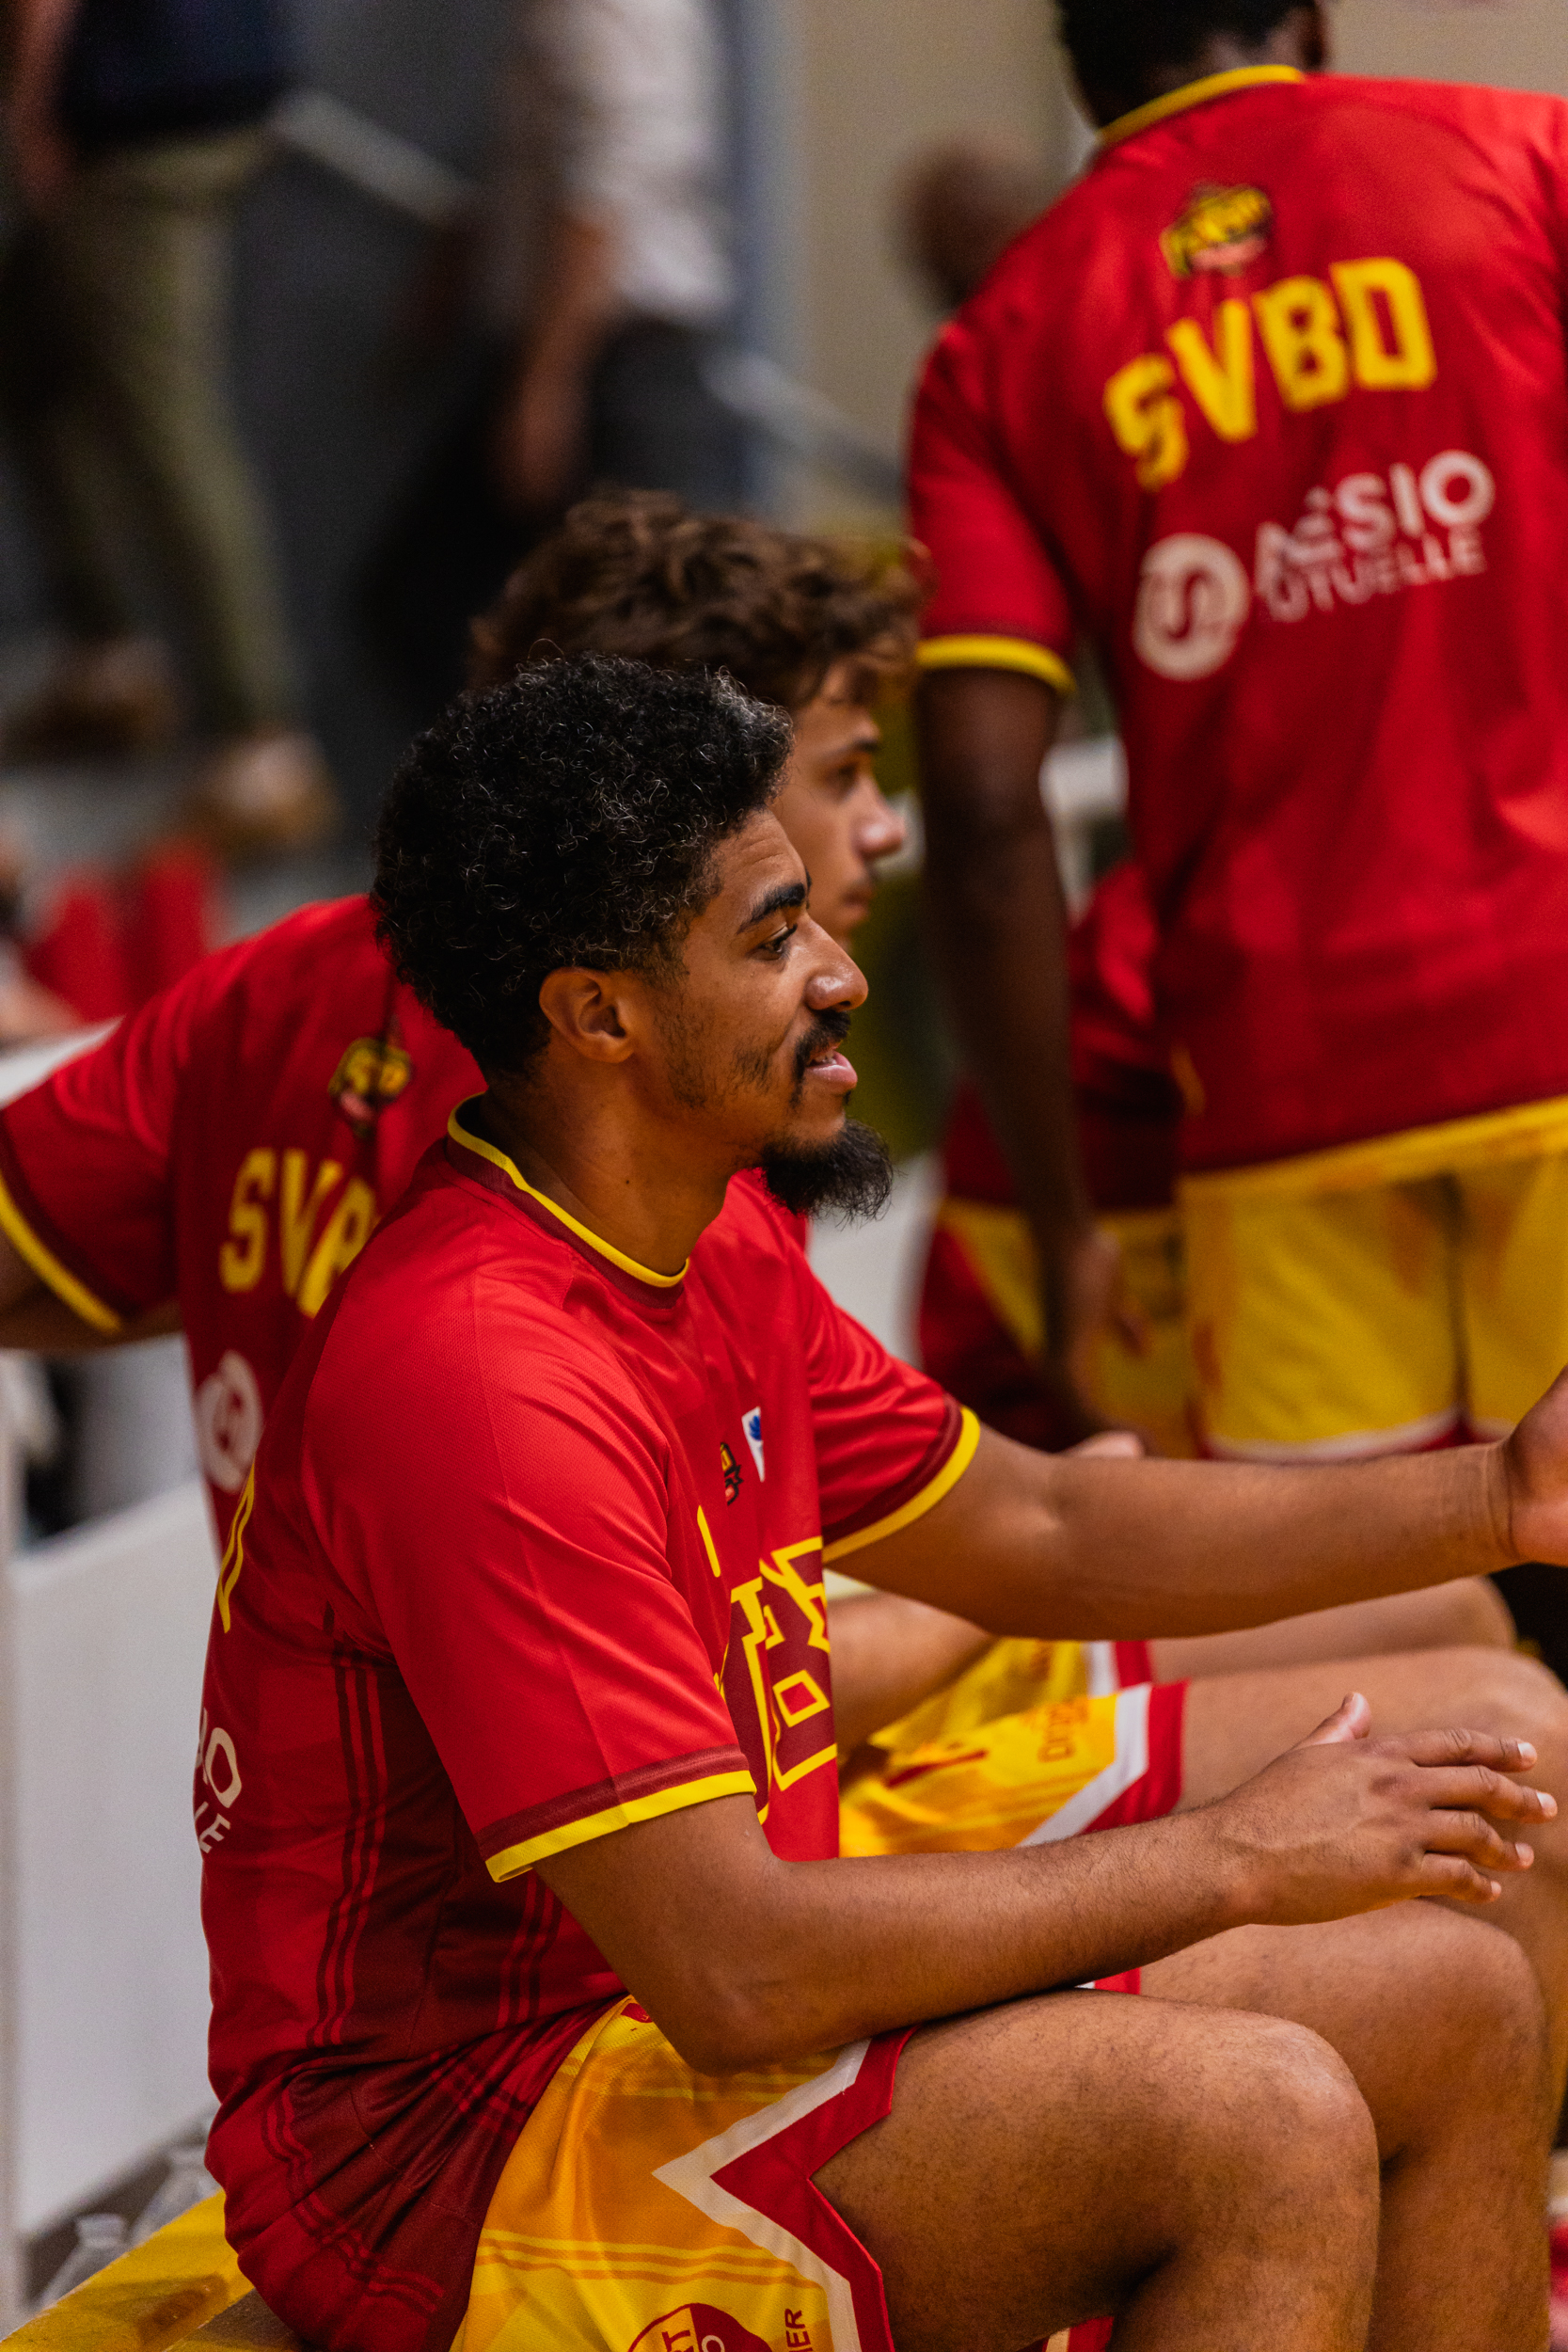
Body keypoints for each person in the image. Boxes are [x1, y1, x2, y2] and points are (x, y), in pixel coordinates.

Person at [198, 652, 1568, 2352]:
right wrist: (1232, 1857)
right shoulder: (476, 1375)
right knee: (1259, 2119)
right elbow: (738, 1969)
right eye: (774, 937)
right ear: (598, 1016)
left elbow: (1042, 1532)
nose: (844, 970)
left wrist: (1502, 1495)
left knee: (1456, 1994)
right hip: (453, 2149)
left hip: (688, 1990)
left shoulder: (700, 1231)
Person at [909, 2, 1568, 1508]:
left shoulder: (1000, 343)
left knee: (1361, 1601)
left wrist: (1068, 1230)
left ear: (1080, 73)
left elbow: (983, 808)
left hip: (1274, 1088)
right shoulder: (1518, 161)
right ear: (1307, 17)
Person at [0, 499, 921, 1554]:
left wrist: (241, 1298)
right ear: (672, 787)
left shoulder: (265, 987)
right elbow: (741, 1625)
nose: (882, 825)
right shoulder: (689, 1104)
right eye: (842, 774)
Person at [0, 0, 334, 855]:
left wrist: (30, 111)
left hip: (129, 116)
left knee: (164, 424)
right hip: (194, 84)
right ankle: (110, 668)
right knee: (45, 380)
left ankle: (261, 742)